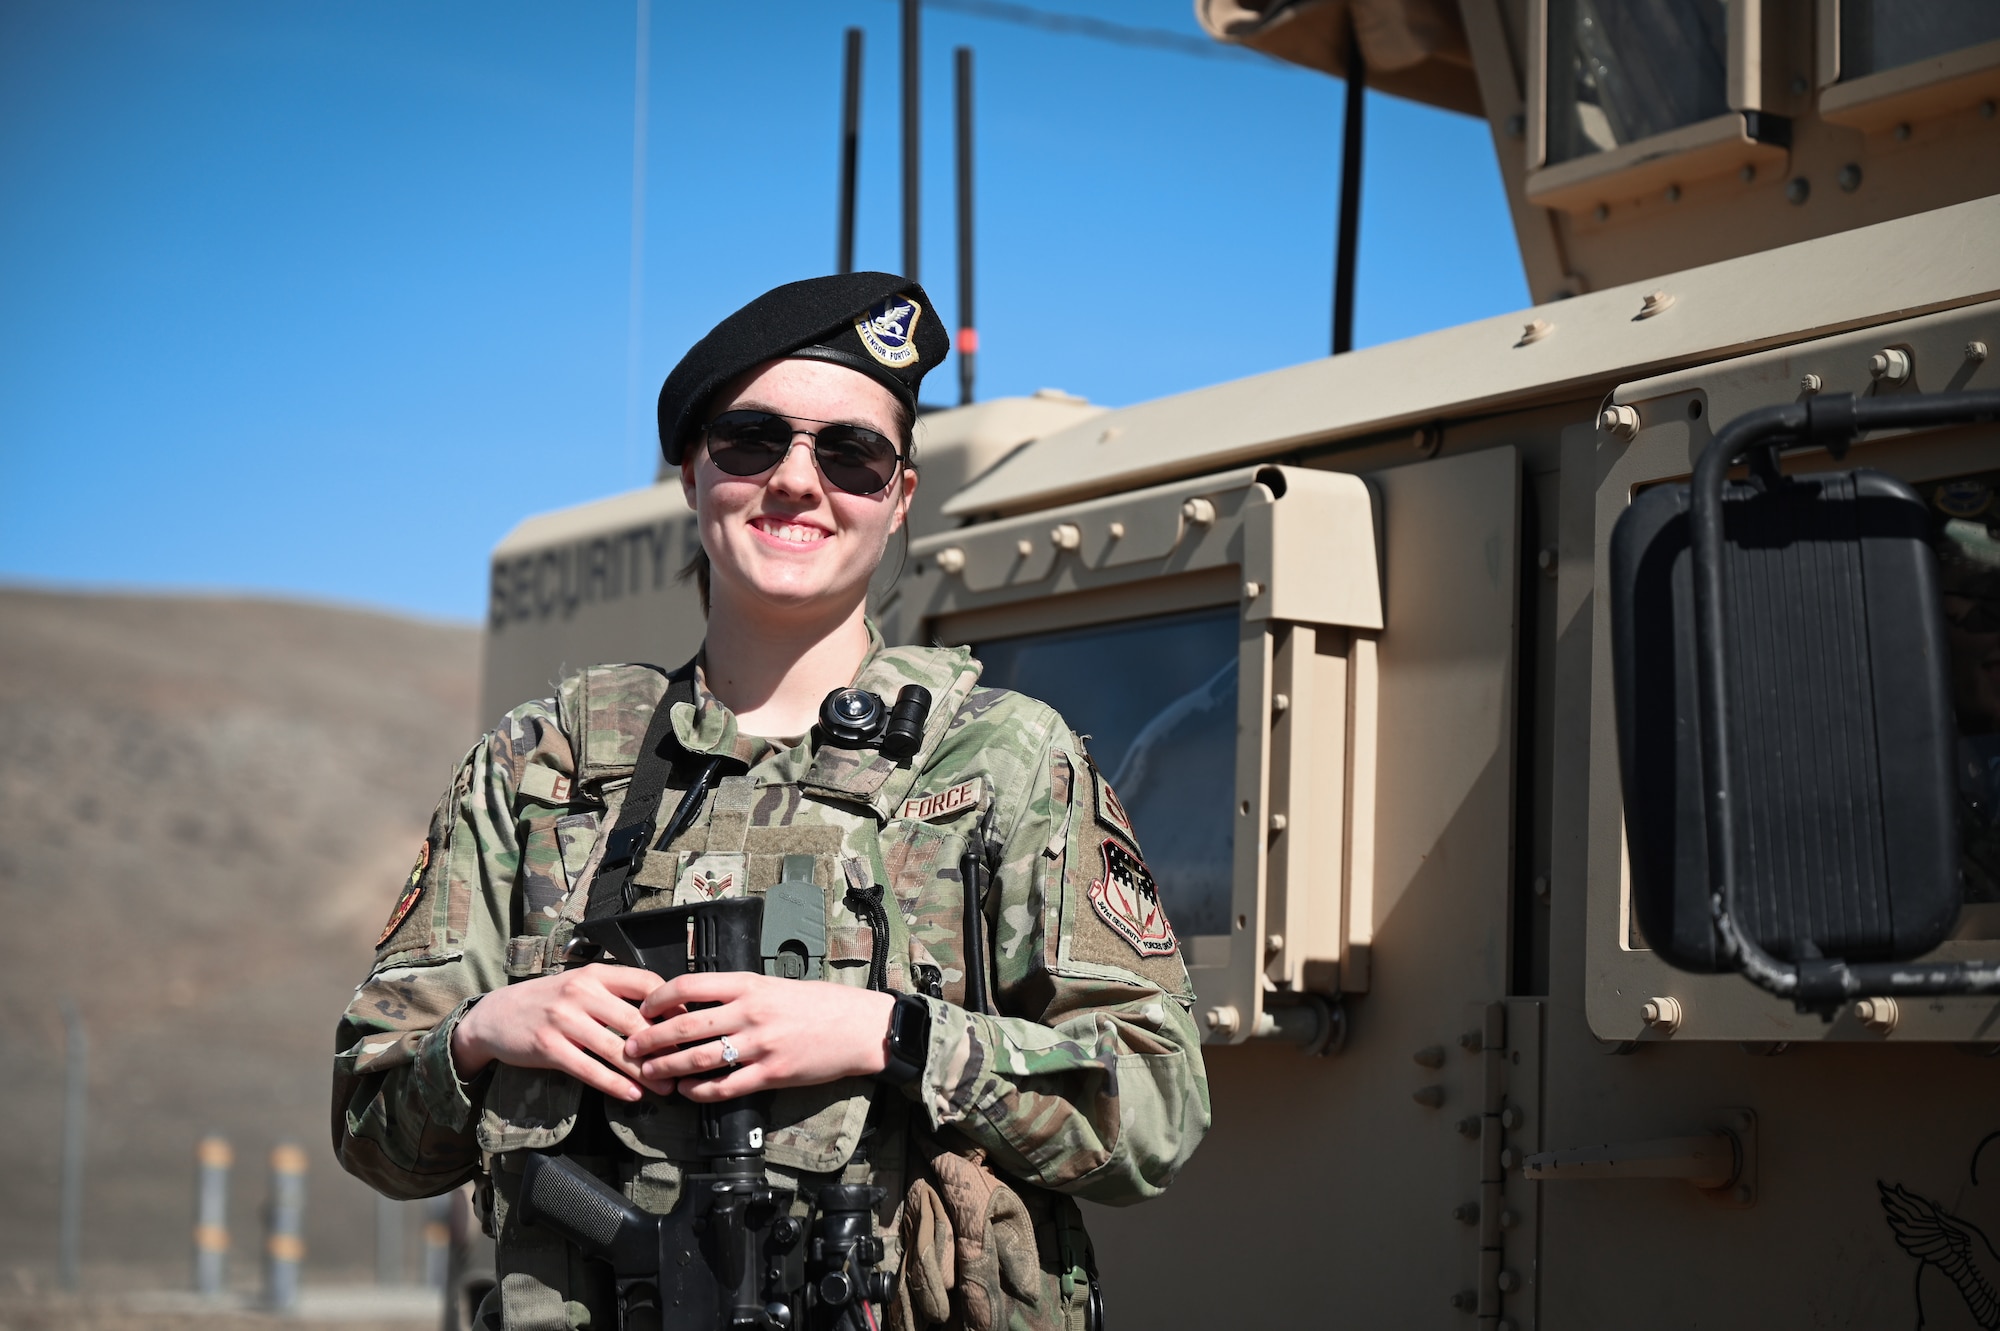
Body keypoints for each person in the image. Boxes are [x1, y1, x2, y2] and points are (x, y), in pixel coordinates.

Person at [332, 272, 1211, 1331]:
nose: (797, 481)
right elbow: (374, 1124)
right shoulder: (544, 766)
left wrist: (891, 1034)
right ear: (692, 472)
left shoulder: (1003, 762)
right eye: (751, 440)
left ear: (898, 498)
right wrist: (486, 1028)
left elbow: (1157, 1105)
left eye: (850, 453)